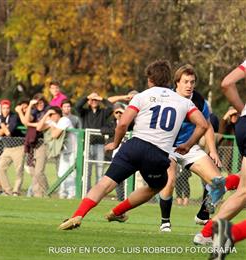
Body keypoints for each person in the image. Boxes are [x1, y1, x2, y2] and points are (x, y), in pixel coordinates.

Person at [58, 60, 208, 230]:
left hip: (134, 146)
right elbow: (203, 125)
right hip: (157, 154)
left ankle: (78, 214)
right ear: (169, 80)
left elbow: (122, 124)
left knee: (105, 184)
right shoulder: (184, 102)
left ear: (150, 80)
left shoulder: (141, 96)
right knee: (157, 186)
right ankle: (117, 211)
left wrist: (115, 143)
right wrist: (188, 145)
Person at [157, 64, 229, 233]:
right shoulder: (165, 96)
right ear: (177, 83)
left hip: (189, 147)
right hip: (167, 146)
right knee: (170, 181)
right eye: (186, 81)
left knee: (219, 182)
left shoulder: (199, 100)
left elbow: (208, 126)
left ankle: (203, 215)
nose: (189, 85)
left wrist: (212, 150)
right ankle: (165, 222)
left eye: (192, 82)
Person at [199, 59, 246, 260]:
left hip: (244, 124)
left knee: (244, 191)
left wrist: (242, 110)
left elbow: (227, 83)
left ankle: (207, 233)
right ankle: (228, 237)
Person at [76, 90, 133, 189]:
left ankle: (98, 190)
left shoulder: (102, 112)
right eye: (92, 100)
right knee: (87, 170)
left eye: (96, 100)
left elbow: (111, 107)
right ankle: (87, 191)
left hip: (99, 143)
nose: (94, 101)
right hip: (87, 143)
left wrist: (100, 98)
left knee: (99, 169)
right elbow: (77, 106)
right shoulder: (85, 112)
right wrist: (87, 97)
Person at [37, 106, 77, 199]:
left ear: (59, 114)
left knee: (72, 174)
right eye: (50, 115)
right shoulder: (52, 121)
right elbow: (39, 128)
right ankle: (63, 194)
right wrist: (46, 114)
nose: (51, 117)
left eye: (53, 114)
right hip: (65, 150)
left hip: (74, 150)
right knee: (61, 173)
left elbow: (55, 135)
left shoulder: (64, 120)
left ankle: (72, 194)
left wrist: (51, 126)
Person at [0, 99, 25, 196]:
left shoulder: (14, 116)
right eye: (4, 108)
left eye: (7, 108)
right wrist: (4, 127)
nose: (6, 110)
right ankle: (7, 190)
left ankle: (16, 191)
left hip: (18, 147)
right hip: (7, 148)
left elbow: (8, 132)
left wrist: (2, 125)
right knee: (0, 168)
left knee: (18, 170)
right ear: (1, 108)